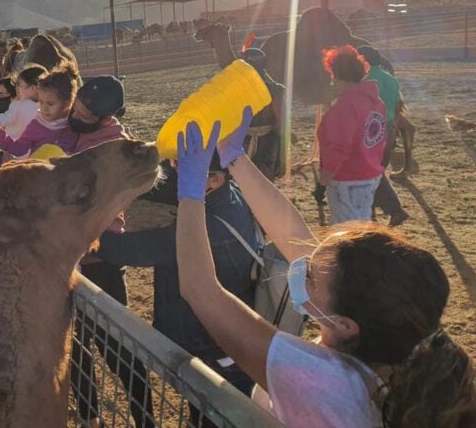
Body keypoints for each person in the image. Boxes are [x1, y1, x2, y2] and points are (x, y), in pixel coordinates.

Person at [173, 111, 476, 428]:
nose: (302, 265)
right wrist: (235, 159)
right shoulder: (395, 344)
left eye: (310, 277)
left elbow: (200, 291)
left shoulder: (326, 386)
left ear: (345, 325)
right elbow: (296, 237)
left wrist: (191, 192)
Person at [94, 151, 257, 425]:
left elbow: (128, 250)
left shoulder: (206, 228)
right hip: (225, 334)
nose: (177, 172)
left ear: (215, 180)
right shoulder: (232, 199)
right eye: (177, 163)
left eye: (188, 167)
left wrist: (83, 231)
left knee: (212, 411)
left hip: (209, 343)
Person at [66, 75, 155, 428]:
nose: (76, 115)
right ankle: (89, 416)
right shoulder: (72, 130)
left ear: (106, 118)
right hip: (68, 259)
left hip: (100, 258)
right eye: (76, 107)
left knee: (118, 349)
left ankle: (144, 420)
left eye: (85, 115)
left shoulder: (115, 147)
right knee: (74, 345)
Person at [315, 45, 386, 223]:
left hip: (348, 179)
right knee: (362, 226)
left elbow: (339, 147)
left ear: (338, 77)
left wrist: (324, 180)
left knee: (347, 232)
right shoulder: (375, 102)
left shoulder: (345, 106)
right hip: (369, 174)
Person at [357, 45, 409, 227]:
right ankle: (377, 213)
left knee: (371, 172)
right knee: (377, 171)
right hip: (390, 127)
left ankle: (393, 210)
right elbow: (397, 105)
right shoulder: (390, 79)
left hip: (374, 129)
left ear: (363, 60)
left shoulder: (366, 81)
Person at [0, 63, 79, 157]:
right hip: (39, 166)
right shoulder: (36, 125)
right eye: (41, 102)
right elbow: (19, 148)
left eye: (50, 104)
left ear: (66, 104)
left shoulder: (75, 124)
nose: (44, 108)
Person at [241, 47, 285, 180]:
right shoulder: (274, 90)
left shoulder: (274, 90)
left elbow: (281, 123)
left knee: (262, 178)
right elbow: (281, 123)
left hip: (264, 140)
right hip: (247, 139)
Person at [0, 63, 46, 138]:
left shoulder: (20, 105)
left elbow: (1, 121)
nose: (16, 88)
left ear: (32, 88)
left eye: (19, 85)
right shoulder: (46, 107)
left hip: (13, 144)